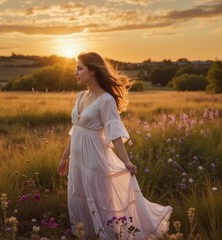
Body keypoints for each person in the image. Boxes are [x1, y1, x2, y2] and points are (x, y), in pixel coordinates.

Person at [57, 52, 172, 239]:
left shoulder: (106, 100)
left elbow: (114, 132)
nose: (75, 72)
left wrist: (126, 161)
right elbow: (76, 129)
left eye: (79, 68)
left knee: (101, 205)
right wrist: (64, 157)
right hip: (76, 162)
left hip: (95, 160)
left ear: (92, 70)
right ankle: (85, 235)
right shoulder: (80, 96)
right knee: (79, 201)